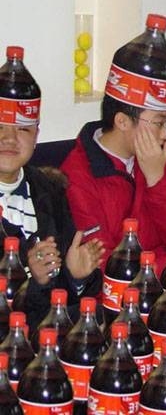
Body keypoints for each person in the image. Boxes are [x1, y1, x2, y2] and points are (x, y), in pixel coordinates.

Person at [62, 18, 166, 274]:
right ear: (122, 121)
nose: (165, 134)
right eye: (159, 123)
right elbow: (104, 266)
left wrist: (157, 179)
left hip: (165, 286)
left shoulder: (154, 158)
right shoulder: (78, 177)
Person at [0, 46, 103, 330]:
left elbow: (70, 298)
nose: (10, 139)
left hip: (53, 338)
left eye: (23, 129)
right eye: (0, 127)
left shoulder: (49, 189)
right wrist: (31, 279)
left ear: (37, 137)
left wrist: (76, 276)